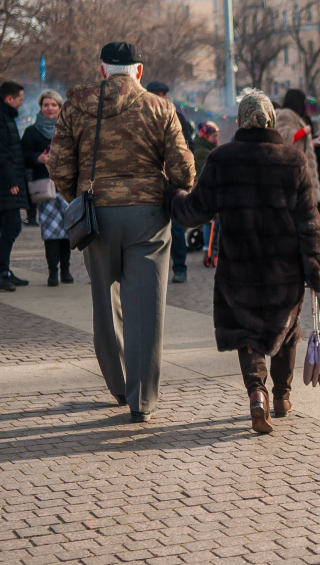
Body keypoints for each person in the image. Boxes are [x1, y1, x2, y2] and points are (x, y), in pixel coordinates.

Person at [164, 88, 320, 434]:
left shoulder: (222, 159)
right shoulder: (293, 161)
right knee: (286, 331)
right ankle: (282, 398)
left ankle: (257, 393)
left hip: (238, 268)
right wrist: (317, 268)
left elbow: (194, 211)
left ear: (241, 121)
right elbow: (309, 221)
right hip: (284, 269)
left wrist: (170, 195)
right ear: (271, 120)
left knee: (248, 333)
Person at [47, 41, 195, 422]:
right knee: (145, 309)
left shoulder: (76, 105)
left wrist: (79, 198)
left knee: (104, 303)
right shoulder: (160, 108)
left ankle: (116, 384)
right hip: (148, 216)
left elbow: (59, 164)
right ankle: (141, 399)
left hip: (97, 216)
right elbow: (183, 170)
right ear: (139, 71)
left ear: (102, 71)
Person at [22, 90, 73, 286]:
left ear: (60, 107)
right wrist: (38, 158)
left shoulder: (68, 130)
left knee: (68, 231)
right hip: (45, 188)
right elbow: (22, 155)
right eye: (46, 105)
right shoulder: (31, 132)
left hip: (66, 187)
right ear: (40, 107)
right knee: (51, 232)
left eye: (53, 104)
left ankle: (66, 270)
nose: (49, 108)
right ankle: (53, 272)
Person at [147, 80, 193, 283]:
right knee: (149, 229)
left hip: (173, 183)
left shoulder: (178, 117)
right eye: (157, 94)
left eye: (164, 94)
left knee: (177, 228)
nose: (162, 98)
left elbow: (188, 148)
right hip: (148, 183)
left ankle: (180, 267)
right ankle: (154, 269)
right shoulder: (142, 118)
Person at [0, 80, 30, 292]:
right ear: (9, 99)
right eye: (20, 99)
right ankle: (2, 272)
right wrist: (11, 181)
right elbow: (2, 153)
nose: (22, 103)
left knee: (10, 228)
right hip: (5, 185)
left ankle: (5, 270)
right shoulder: (2, 119)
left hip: (8, 183)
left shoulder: (6, 117)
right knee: (11, 227)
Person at [275, 89, 320, 205]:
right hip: (295, 172)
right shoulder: (286, 115)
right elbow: (285, 138)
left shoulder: (295, 117)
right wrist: (304, 131)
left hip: (299, 172)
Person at [194, 121, 219, 250]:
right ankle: (207, 245)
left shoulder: (209, 149)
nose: (216, 139)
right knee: (211, 219)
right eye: (214, 136)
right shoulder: (202, 152)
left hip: (208, 188)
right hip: (206, 189)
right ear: (206, 136)